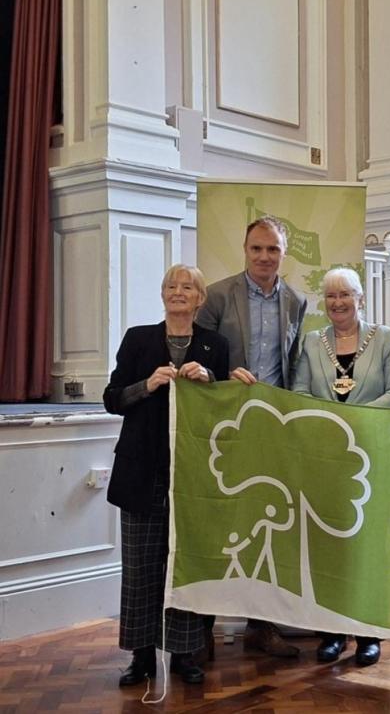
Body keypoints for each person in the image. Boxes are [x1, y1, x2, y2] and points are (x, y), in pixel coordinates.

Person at [103, 264, 229, 687]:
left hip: (193, 474)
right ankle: (140, 657)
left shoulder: (215, 345)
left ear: (200, 299)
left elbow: (227, 406)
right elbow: (112, 399)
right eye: (171, 285)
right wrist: (147, 384)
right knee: (140, 568)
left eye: (187, 286)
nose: (178, 292)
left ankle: (183, 654)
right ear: (162, 294)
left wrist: (210, 380)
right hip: (141, 471)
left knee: (184, 565)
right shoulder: (138, 338)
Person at [196, 215, 307, 659]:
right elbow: (198, 357)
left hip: (271, 428)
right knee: (217, 525)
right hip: (223, 426)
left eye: (273, 249)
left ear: (284, 253)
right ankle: (201, 629)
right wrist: (225, 376)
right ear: (245, 250)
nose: (264, 257)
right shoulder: (217, 296)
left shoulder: (297, 301)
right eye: (257, 248)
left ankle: (262, 626)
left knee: (267, 528)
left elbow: (293, 363)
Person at [293, 267, 390, 667]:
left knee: (368, 547)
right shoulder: (312, 342)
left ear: (361, 299)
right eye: (331, 296)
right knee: (329, 546)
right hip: (326, 458)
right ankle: (331, 633)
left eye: (345, 295)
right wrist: (329, 421)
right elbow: (299, 391)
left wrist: (357, 417)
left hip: (373, 455)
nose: (338, 302)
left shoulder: (384, 337)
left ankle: (368, 635)